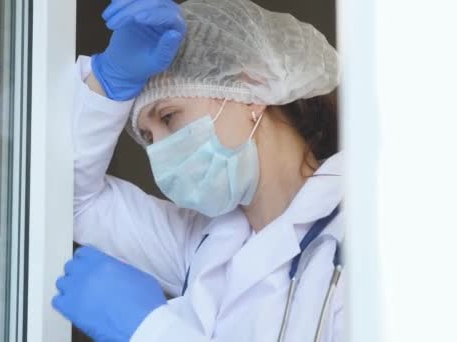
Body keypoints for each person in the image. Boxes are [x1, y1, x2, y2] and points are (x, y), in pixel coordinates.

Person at [52, 0, 343, 341]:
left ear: (252, 89)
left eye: (168, 117)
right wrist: (108, 82)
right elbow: (70, 200)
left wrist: (152, 332)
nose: (159, 151)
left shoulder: (372, 228)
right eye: (147, 138)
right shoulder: (206, 241)